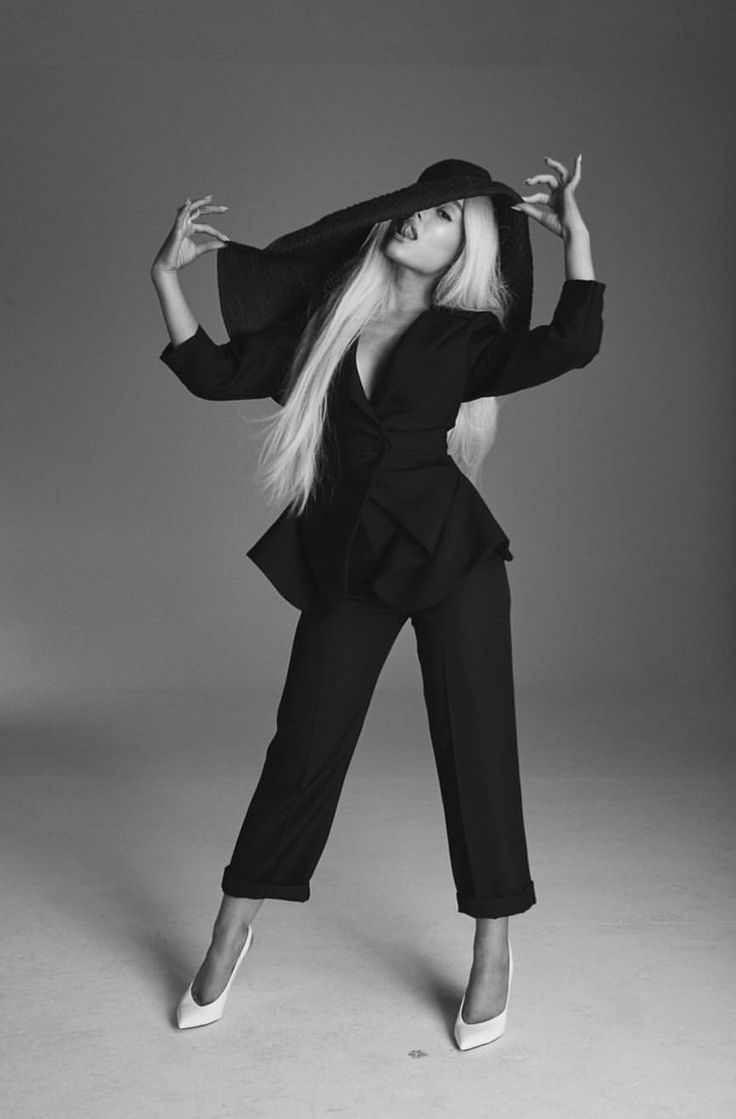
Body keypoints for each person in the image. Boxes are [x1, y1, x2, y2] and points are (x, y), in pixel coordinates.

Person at [150, 155, 606, 1047]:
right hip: (352, 559)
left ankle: (494, 949)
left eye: (446, 221)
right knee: (304, 744)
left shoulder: (464, 336)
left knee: (478, 744)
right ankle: (230, 933)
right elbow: (211, 373)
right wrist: (165, 275)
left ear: (458, 253)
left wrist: (579, 241)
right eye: (420, 209)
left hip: (454, 555)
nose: (422, 223)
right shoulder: (328, 328)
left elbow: (571, 344)